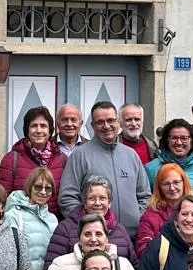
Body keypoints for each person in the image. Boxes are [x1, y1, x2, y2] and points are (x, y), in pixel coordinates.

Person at [58, 102, 151, 238]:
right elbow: (67, 198)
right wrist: (90, 225)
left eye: (110, 120)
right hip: (94, 240)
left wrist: (137, 216)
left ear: (118, 122)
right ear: (92, 126)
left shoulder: (131, 155)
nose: (106, 126)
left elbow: (145, 196)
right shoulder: (80, 155)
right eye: (100, 122)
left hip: (132, 239)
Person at [44, 174, 134, 270]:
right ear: (85, 203)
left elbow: (133, 267)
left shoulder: (120, 230)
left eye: (102, 198)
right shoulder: (65, 229)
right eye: (92, 198)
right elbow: (51, 269)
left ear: (109, 203)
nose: (97, 203)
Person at [0, 105, 64, 207]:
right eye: (34, 126)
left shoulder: (62, 159)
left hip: (54, 221)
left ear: (50, 130)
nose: (38, 130)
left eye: (43, 126)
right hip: (21, 221)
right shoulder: (11, 160)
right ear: (27, 130)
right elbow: (2, 198)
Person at [143, 119, 193, 203]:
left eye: (184, 138)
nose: (179, 142)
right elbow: (145, 201)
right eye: (174, 138)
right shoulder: (151, 169)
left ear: (192, 141)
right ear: (167, 140)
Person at [5, 166, 58, 270]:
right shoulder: (14, 215)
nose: (43, 192)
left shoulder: (53, 219)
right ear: (30, 187)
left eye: (48, 188)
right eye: (38, 187)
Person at [136, 163, 190, 255]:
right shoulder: (149, 216)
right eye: (166, 184)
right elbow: (143, 250)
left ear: (184, 183)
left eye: (176, 182)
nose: (172, 188)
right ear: (159, 187)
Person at [119, 103, 156, 167]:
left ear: (142, 121)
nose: (133, 124)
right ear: (120, 123)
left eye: (137, 119)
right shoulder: (112, 145)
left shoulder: (153, 147)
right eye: (128, 120)